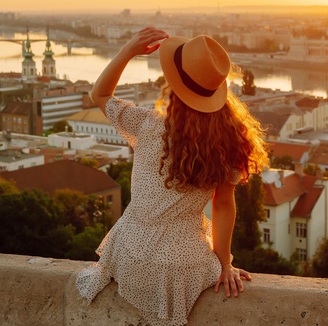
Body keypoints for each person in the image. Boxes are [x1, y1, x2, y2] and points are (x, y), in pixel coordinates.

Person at [75, 27, 268, 326]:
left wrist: (129, 49)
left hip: (129, 255)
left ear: (173, 87)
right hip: (183, 266)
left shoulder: (148, 125)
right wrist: (225, 263)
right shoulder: (229, 142)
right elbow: (222, 206)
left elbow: (99, 94)